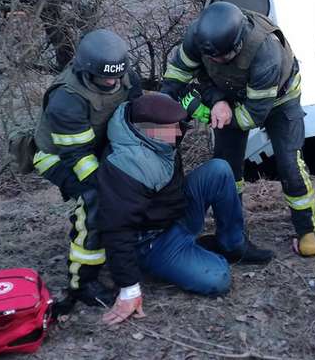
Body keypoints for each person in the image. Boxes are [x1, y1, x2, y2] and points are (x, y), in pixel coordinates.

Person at [161, 2, 315, 257]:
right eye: (210, 57)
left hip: (278, 100)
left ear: (237, 46)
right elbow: (176, 76)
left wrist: (209, 114)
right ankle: (231, 234)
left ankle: (306, 228)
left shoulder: (265, 52)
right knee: (227, 168)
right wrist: (166, 111)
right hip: (228, 93)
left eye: (220, 57)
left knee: (289, 163)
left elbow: (252, 116)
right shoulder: (199, 37)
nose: (214, 61)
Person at [95, 94, 272, 324]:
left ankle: (232, 244)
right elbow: (116, 230)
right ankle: (188, 253)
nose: (178, 132)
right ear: (147, 129)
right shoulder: (126, 166)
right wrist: (129, 289)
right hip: (152, 241)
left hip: (174, 212)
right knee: (218, 279)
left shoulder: (154, 135)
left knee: (219, 170)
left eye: (177, 125)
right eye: (171, 128)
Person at [33, 29, 142, 311]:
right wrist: (108, 184)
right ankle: (82, 282)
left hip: (96, 145)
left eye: (117, 76)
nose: (112, 82)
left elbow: (135, 114)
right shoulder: (66, 100)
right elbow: (76, 155)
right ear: (87, 71)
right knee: (95, 199)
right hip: (57, 155)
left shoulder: (126, 77)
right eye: (105, 78)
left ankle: (123, 245)